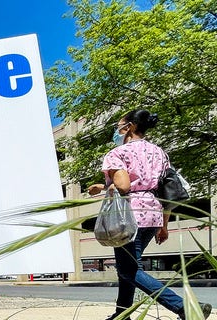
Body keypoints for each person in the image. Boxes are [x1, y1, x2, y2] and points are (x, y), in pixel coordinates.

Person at [87, 110, 211, 320]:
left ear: (130, 127)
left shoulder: (117, 153)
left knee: (128, 270)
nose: (117, 131)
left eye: (119, 126)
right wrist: (164, 224)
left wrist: (107, 184)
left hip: (130, 217)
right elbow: (167, 190)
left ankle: (186, 308)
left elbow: (124, 186)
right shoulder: (159, 152)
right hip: (153, 214)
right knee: (129, 267)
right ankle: (122, 315)